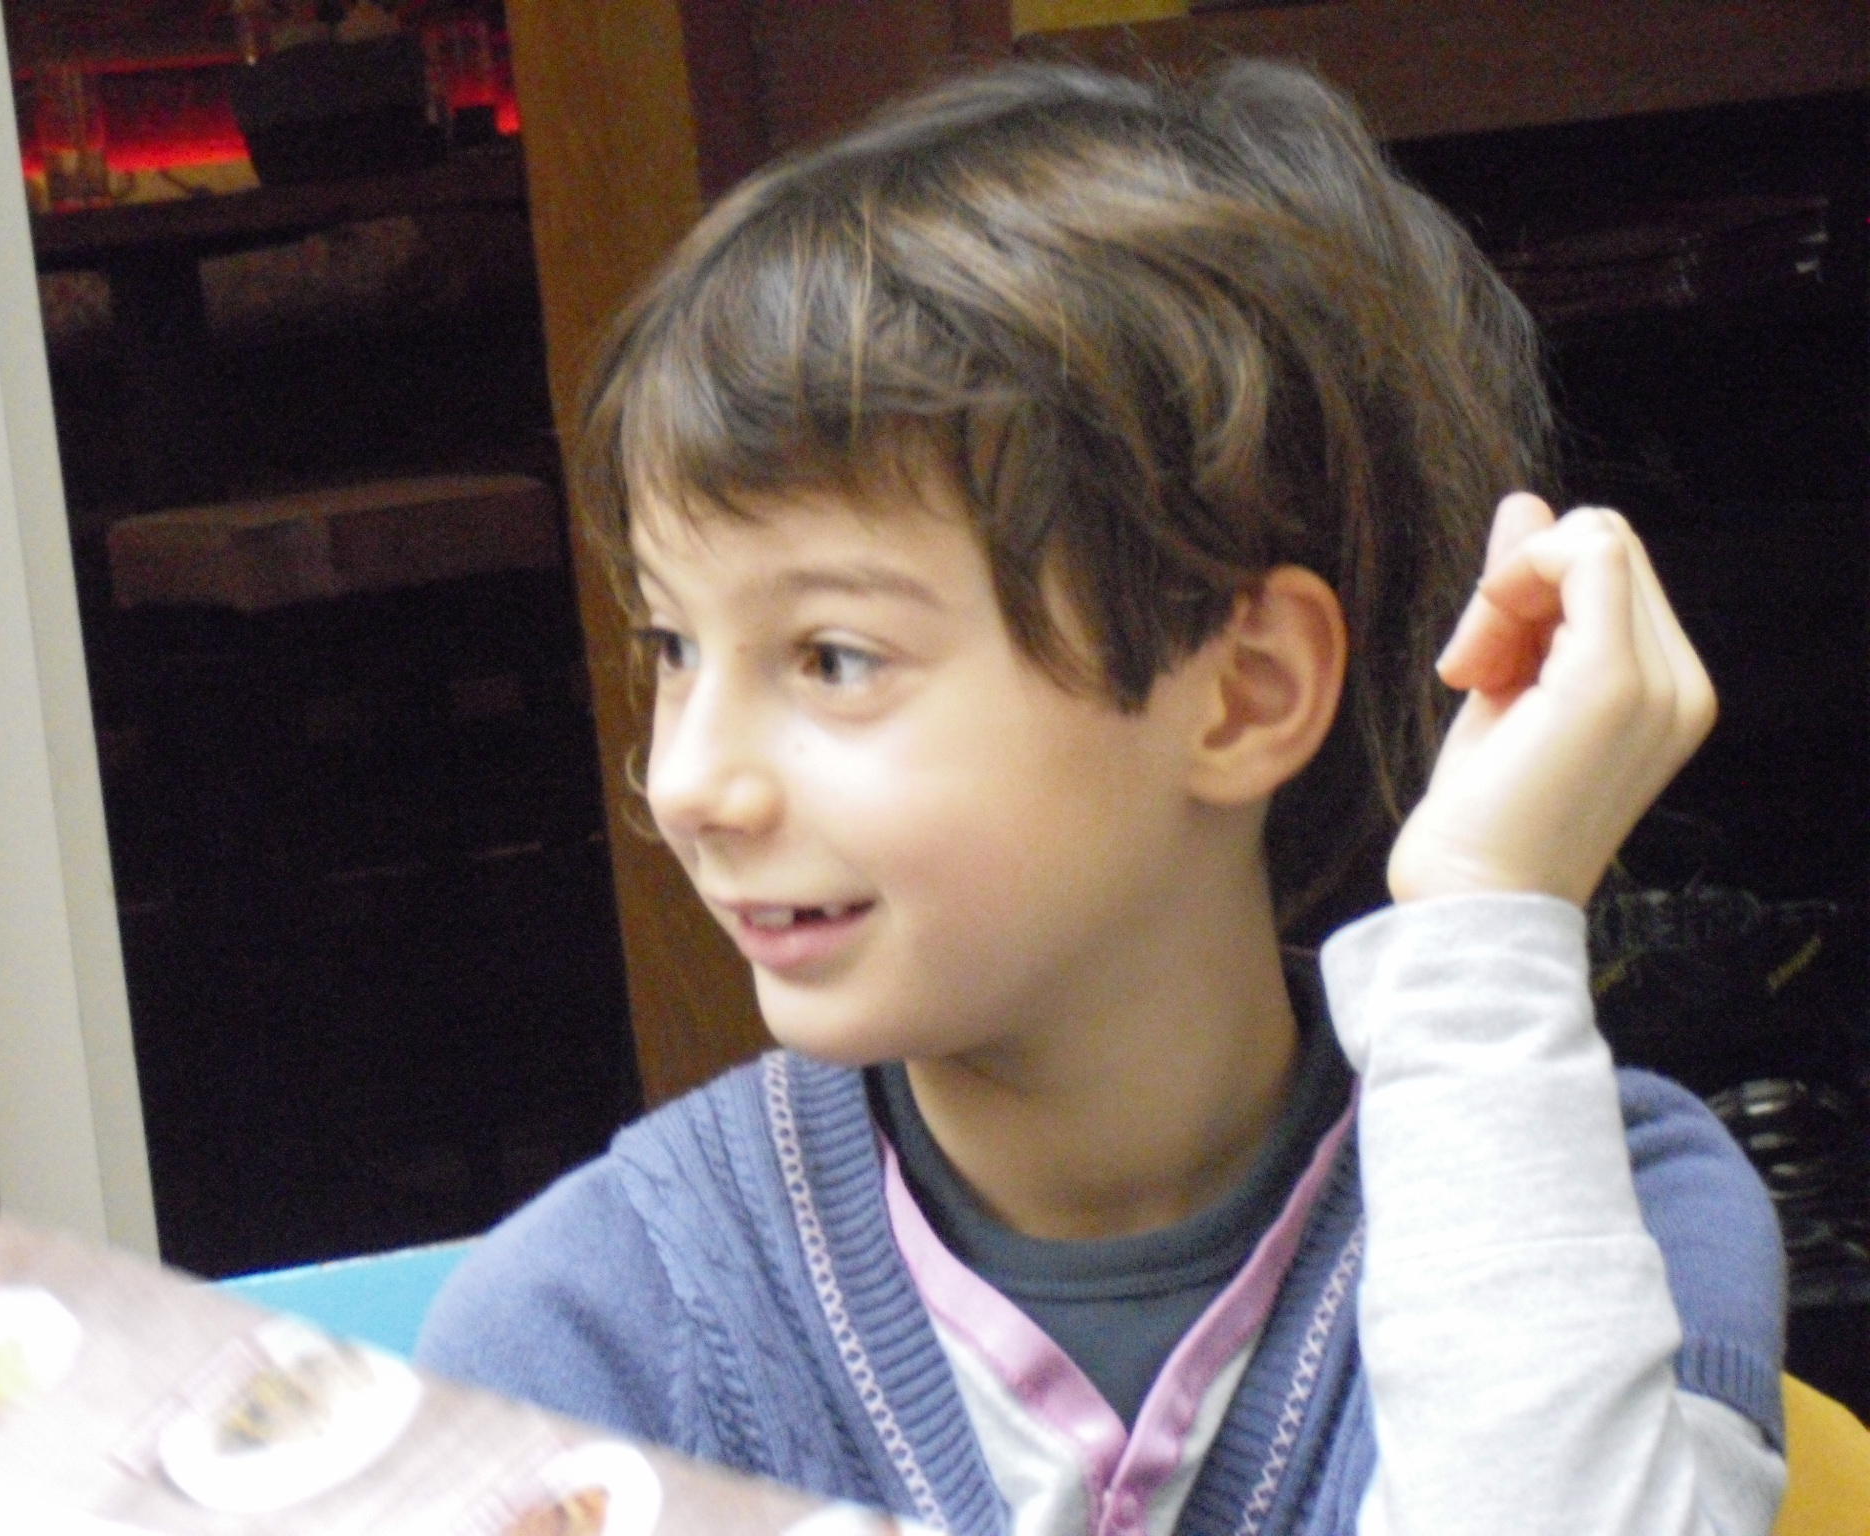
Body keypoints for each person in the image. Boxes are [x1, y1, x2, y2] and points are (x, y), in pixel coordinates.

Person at [417, 60, 1786, 1536]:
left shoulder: (1607, 1205)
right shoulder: (593, 1333)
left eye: (835, 658)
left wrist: (1484, 921)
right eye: (674, 648)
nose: (691, 782)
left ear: (1244, 690)